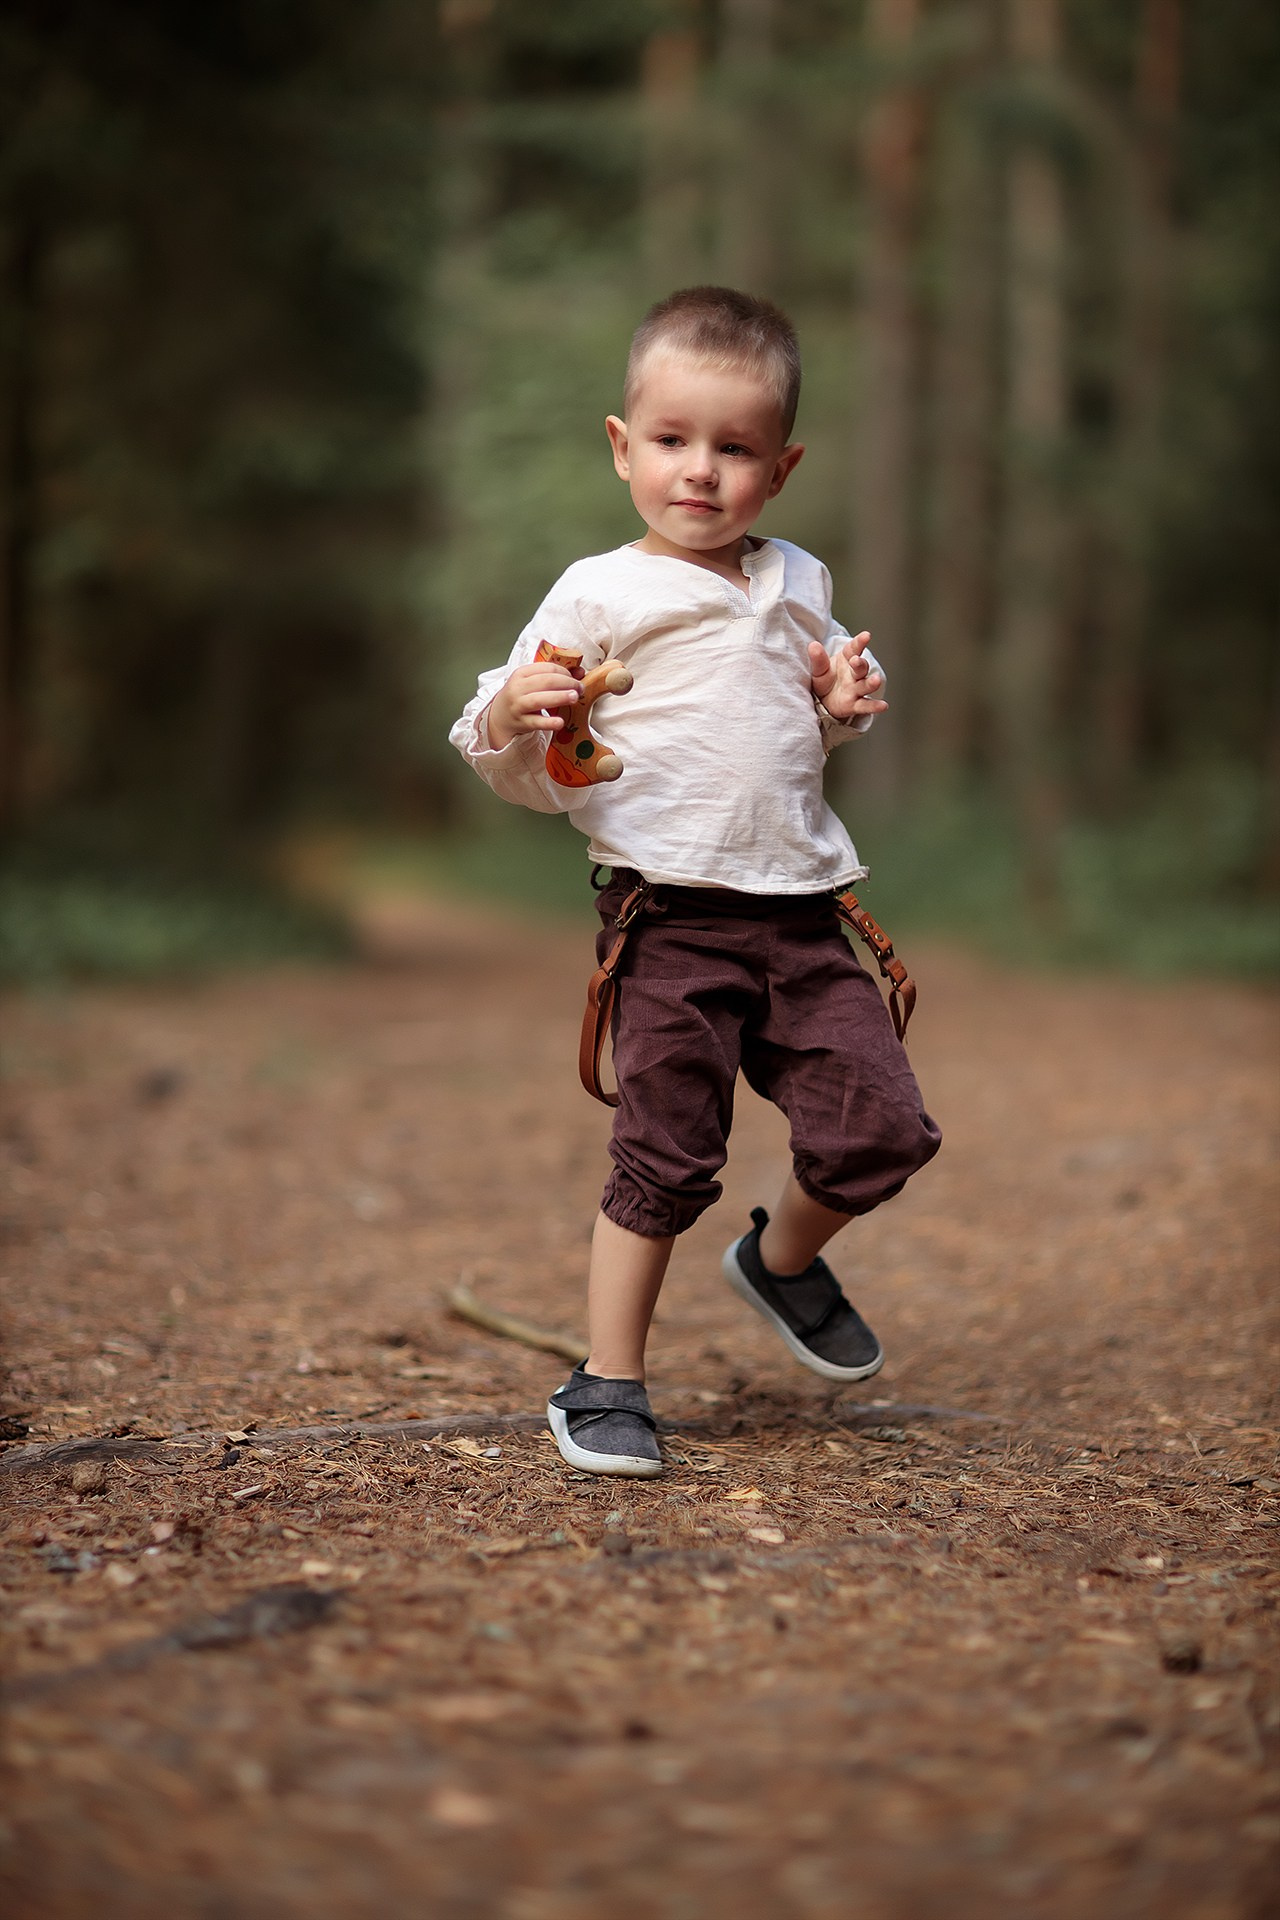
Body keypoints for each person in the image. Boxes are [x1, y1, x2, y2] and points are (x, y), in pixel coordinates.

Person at [450, 286, 941, 1478]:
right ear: (623, 447)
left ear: (780, 467)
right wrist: (513, 710)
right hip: (667, 916)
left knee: (883, 1126)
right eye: (672, 441)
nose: (701, 472)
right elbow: (506, 744)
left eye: (734, 449)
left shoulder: (800, 582)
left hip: (803, 912)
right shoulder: (600, 592)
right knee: (666, 1153)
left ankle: (775, 1265)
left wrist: (831, 714)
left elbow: (772, 748)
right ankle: (605, 1378)